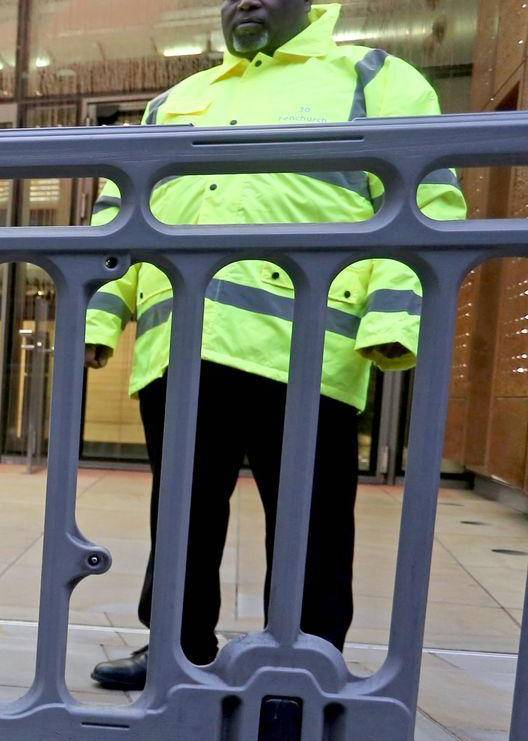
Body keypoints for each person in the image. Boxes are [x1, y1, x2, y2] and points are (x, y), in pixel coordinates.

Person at [83, 0, 466, 690]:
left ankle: (305, 657)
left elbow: (423, 204)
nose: (244, 2)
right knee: (181, 513)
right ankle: (175, 647)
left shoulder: (374, 78)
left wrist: (391, 323)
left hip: (310, 347)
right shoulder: (178, 99)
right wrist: (99, 319)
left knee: (311, 520)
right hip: (183, 346)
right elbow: (121, 219)